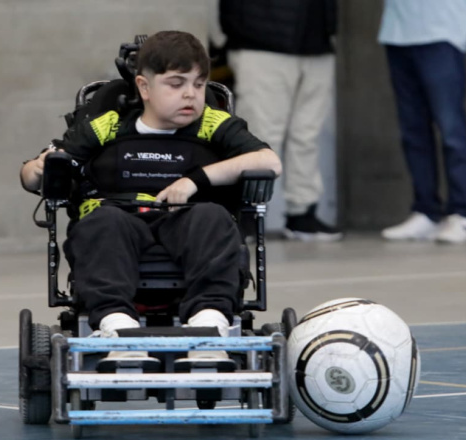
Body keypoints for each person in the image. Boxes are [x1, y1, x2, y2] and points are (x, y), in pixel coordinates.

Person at [20, 31, 282, 366]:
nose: (190, 94)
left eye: (199, 84)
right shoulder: (108, 126)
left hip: (186, 219)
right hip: (119, 218)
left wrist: (195, 180)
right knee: (100, 222)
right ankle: (119, 329)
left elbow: (269, 161)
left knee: (214, 218)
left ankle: (208, 328)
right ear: (144, 87)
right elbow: (34, 174)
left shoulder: (212, 124)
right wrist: (37, 168)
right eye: (176, 84)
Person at [218, 0, 342, 242]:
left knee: (307, 135)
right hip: (262, 42)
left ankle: (303, 214)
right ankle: (246, 215)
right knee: (258, 137)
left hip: (317, 42)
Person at [378, 0, 466, 244]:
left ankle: (464, 214)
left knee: (451, 130)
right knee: (412, 131)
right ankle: (426, 211)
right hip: (397, 31)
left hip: (442, 30)